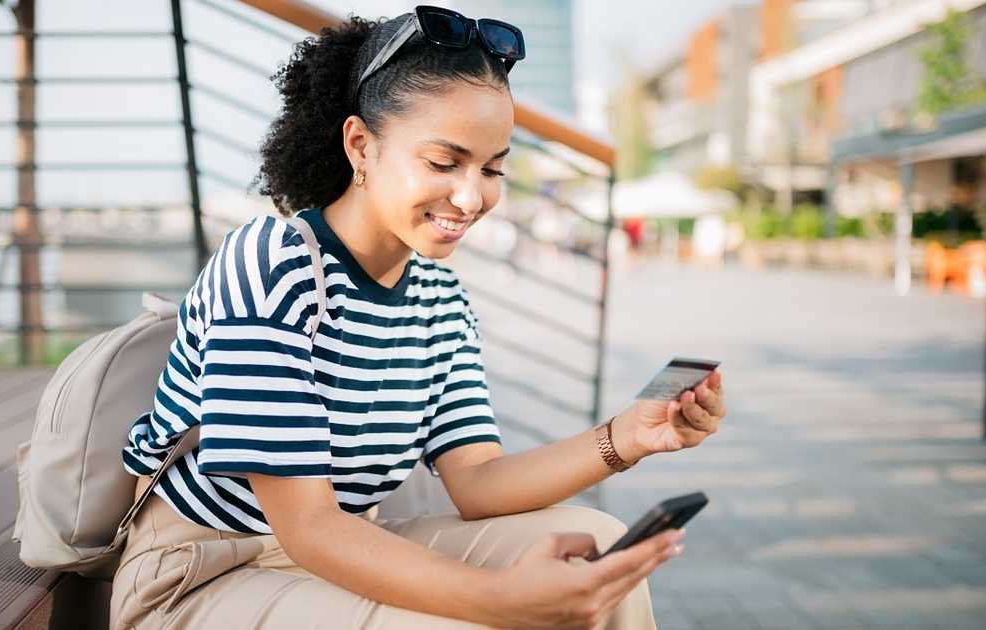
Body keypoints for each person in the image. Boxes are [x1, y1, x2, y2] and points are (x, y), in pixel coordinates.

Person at [111, 7, 727, 629]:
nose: (471, 196)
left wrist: (627, 436)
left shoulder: (440, 299)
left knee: (596, 541)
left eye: (492, 169)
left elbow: (478, 481)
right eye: (443, 162)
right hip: (206, 570)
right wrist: (500, 600)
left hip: (343, 549)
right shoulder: (271, 264)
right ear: (361, 145)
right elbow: (306, 526)